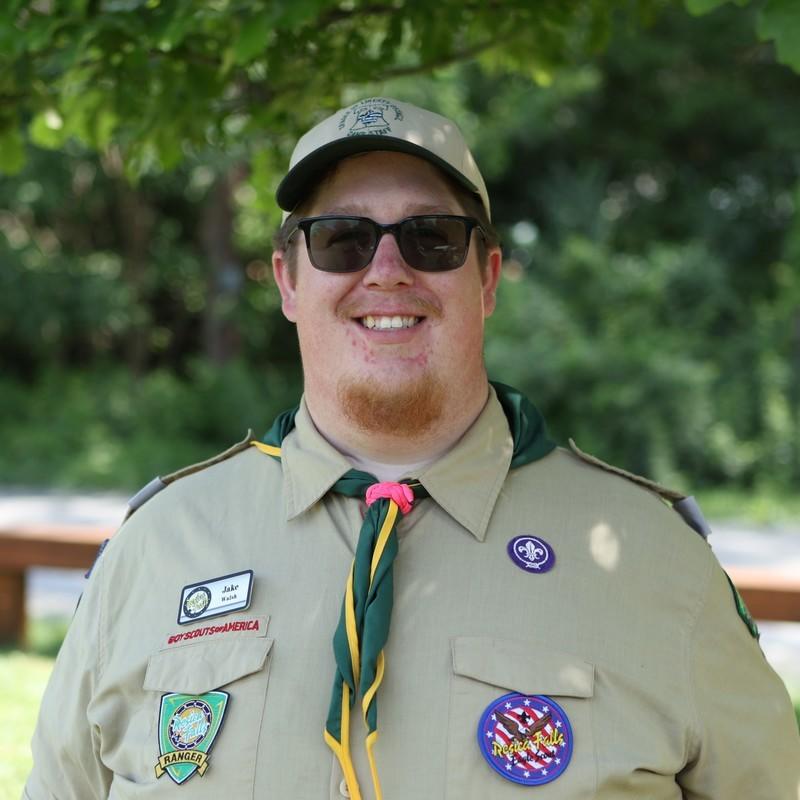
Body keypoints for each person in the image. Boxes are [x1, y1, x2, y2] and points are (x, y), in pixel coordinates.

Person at [25, 96, 800, 800]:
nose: (388, 271)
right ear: (287, 281)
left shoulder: (657, 563)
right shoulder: (156, 548)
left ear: (487, 279)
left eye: (432, 238)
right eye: (342, 239)